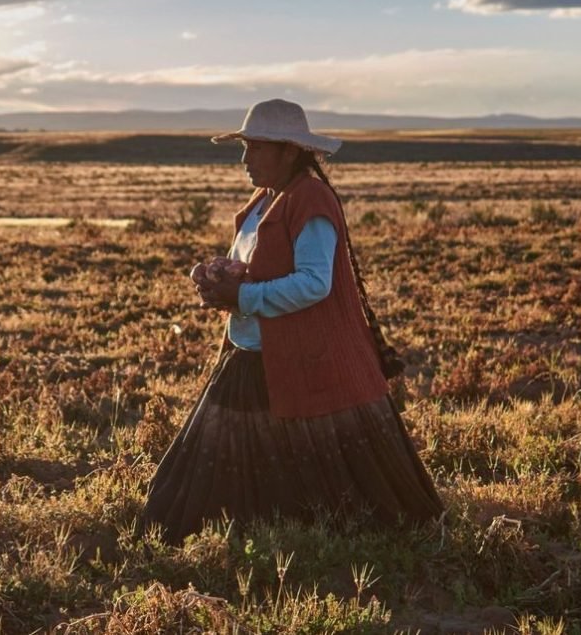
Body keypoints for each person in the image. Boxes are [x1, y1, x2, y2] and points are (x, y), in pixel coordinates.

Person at [142, 99, 442, 544]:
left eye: (256, 149)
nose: (245, 160)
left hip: (301, 358)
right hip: (252, 353)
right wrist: (220, 274)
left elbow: (314, 283)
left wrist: (241, 294)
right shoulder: (266, 200)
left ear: (287, 151)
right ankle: (236, 540)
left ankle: (291, 545)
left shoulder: (310, 200)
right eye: (244, 148)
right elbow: (263, 264)